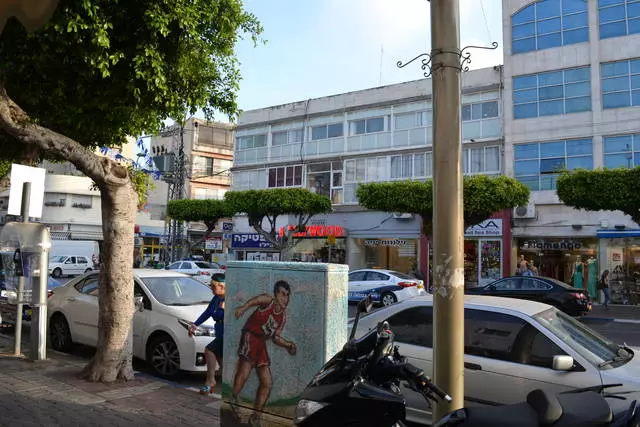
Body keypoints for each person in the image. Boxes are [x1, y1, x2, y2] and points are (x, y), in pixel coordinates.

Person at [231, 280, 297, 426]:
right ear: (276, 294)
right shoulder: (269, 301)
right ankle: (233, 399)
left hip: (261, 343)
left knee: (267, 382)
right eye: (282, 294)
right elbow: (257, 300)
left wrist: (288, 345)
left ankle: (256, 417)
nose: (285, 298)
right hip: (250, 336)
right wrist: (243, 307)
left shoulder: (283, 316)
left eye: (287, 295)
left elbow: (276, 338)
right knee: (245, 371)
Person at [189, 273, 225, 395]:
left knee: (209, 350)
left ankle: (210, 381)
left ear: (222, 286)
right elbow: (208, 312)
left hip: (227, 333)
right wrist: (195, 324)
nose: (211, 288)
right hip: (219, 332)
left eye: (213, 286)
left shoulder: (229, 299)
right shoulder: (216, 299)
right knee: (220, 357)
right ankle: (225, 382)